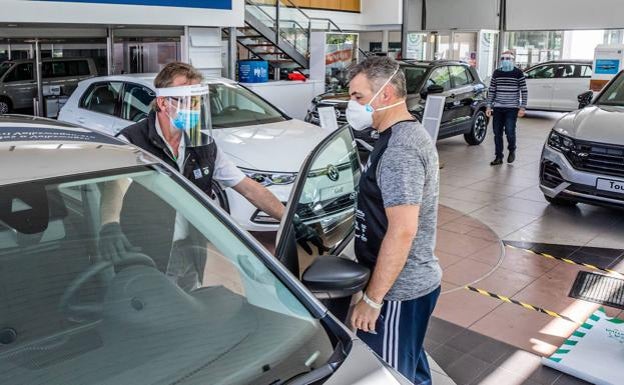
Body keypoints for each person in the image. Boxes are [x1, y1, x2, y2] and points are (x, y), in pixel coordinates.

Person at [98, 62, 324, 285]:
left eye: (196, 101)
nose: (193, 108)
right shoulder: (132, 141)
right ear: (163, 103)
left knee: (190, 301)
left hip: (191, 249)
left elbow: (248, 187)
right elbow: (115, 186)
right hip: (146, 251)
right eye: (186, 100)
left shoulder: (203, 145)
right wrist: (109, 224)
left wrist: (289, 219)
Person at [346, 56, 442, 384]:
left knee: (389, 374)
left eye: (358, 97)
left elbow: (402, 231)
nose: (352, 105)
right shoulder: (396, 136)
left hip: (398, 291)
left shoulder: (400, 150)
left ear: (384, 95)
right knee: (411, 367)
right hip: (403, 284)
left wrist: (373, 300)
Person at [486, 50, 528, 165]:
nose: (505, 61)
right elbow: (492, 90)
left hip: (512, 108)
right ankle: (499, 157)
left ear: (513, 60)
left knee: (509, 131)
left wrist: (522, 107)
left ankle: (512, 149)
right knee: (497, 133)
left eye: (508, 58)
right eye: (503, 58)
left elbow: (524, 91)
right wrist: (489, 106)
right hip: (498, 107)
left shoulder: (518, 73)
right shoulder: (496, 73)